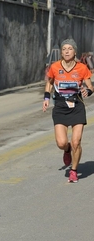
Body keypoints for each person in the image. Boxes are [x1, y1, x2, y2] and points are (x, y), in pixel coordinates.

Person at [42, 38, 93, 183]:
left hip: (77, 107)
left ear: (75, 51)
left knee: (76, 142)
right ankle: (66, 150)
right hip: (60, 107)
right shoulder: (55, 66)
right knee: (61, 142)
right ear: (61, 52)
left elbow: (91, 87)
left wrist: (87, 92)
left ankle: (74, 171)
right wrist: (46, 98)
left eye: (69, 49)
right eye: (64, 49)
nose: (66, 51)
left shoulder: (82, 68)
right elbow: (49, 83)